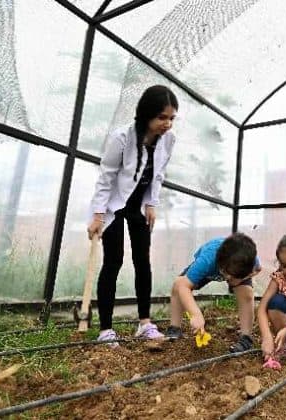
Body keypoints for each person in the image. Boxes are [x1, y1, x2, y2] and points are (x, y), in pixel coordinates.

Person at [87, 85, 178, 346]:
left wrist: (151, 203)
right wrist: (98, 215)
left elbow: (158, 174)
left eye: (172, 118)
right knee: (113, 261)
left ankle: (145, 323)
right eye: (162, 117)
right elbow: (106, 177)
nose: (168, 124)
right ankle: (105, 329)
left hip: (139, 204)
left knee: (142, 261)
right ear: (146, 114)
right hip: (115, 204)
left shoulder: (169, 140)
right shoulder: (122, 138)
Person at [166, 232, 261, 353]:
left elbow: (258, 269)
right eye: (226, 274)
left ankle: (246, 337)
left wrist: (241, 279)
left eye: (232, 277)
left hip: (237, 272)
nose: (227, 278)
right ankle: (174, 328)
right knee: (178, 284)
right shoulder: (207, 260)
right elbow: (184, 286)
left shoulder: (250, 260)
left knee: (246, 293)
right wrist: (196, 314)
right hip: (211, 269)